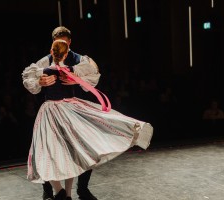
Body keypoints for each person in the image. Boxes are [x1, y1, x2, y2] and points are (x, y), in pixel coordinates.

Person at [23, 39, 153, 200]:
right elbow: (90, 80)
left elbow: (31, 78)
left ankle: (61, 192)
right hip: (69, 109)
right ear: (66, 53)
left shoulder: (45, 70)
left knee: (51, 151)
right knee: (69, 150)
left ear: (51, 52)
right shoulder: (69, 70)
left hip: (51, 111)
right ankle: (65, 193)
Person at [22, 26, 101, 200]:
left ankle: (80, 189)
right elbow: (29, 78)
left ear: (69, 42)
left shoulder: (80, 60)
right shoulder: (45, 61)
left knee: (81, 147)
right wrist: (40, 81)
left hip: (74, 110)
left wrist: (75, 78)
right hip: (53, 110)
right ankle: (52, 191)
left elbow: (93, 75)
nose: (60, 47)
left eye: (64, 43)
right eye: (57, 43)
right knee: (49, 148)